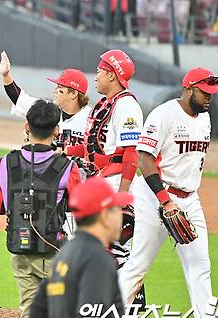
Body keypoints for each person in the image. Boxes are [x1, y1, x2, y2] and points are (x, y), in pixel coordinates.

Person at [118, 68, 218, 318]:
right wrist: (165, 201)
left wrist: (181, 200)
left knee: (201, 266)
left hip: (190, 200)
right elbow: (145, 159)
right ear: (189, 88)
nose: (210, 98)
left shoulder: (205, 119)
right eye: (205, 92)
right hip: (155, 197)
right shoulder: (164, 115)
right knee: (138, 265)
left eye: (213, 93)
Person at [0, 100, 81, 318]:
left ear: (26, 126)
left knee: (29, 312)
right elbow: (79, 205)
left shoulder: (5, 162)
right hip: (56, 252)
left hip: (21, 251)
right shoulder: (67, 166)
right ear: (57, 131)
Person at [64, 49, 143, 274]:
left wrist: (123, 194)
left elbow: (130, 152)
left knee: (117, 250)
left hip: (117, 181)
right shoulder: (106, 104)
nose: (95, 76)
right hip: (102, 181)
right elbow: (93, 149)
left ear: (112, 75)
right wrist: (65, 150)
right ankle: (101, 302)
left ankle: (131, 305)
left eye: (99, 71)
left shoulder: (126, 106)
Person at [0, 50, 90, 239]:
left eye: (60, 88)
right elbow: (18, 97)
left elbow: (98, 148)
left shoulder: (91, 118)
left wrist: (68, 150)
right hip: (53, 193)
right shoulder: (48, 112)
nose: (55, 90)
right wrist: (6, 76)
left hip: (80, 192)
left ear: (74, 94)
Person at [29, 177, 133, 318]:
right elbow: (91, 317)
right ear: (105, 216)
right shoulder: (97, 259)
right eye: (116, 209)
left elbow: (38, 312)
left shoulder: (65, 252)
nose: (122, 215)